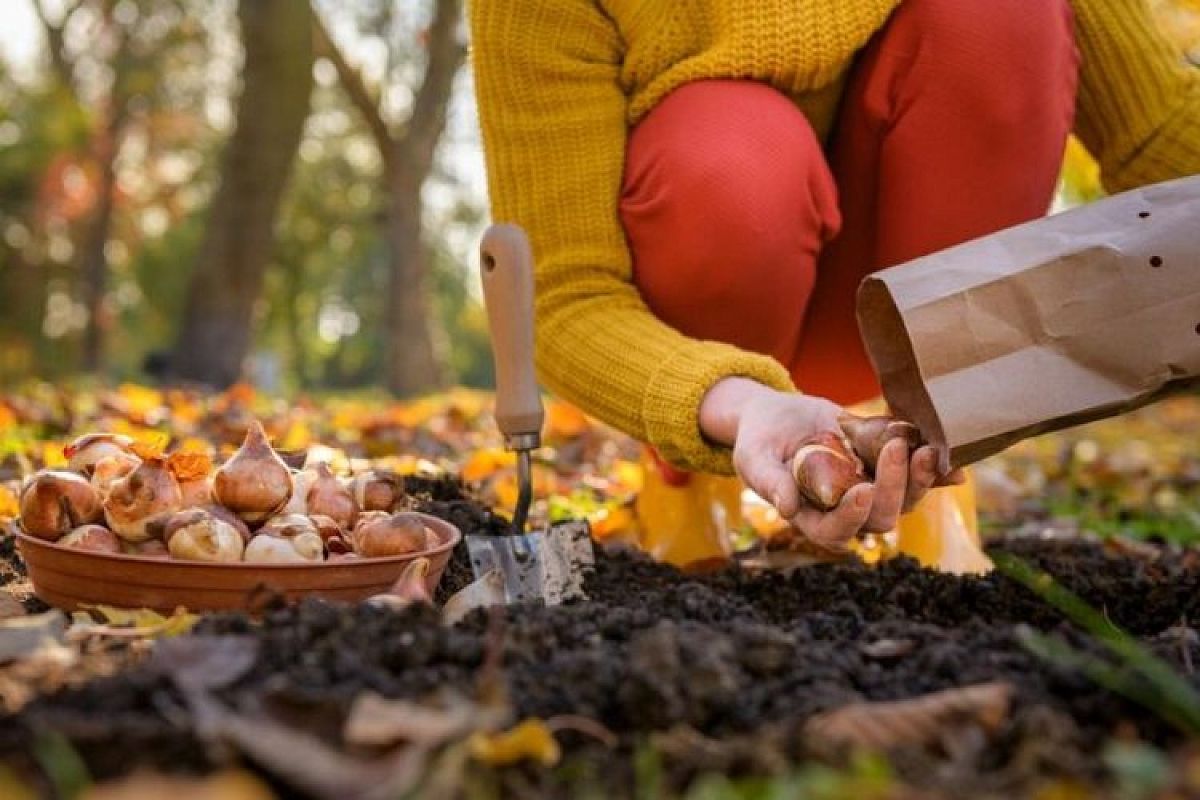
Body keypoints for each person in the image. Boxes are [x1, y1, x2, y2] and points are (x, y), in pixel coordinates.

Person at [469, 0, 1200, 556]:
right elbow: (568, 299)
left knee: (998, 17)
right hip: (717, 341)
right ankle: (691, 488)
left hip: (918, 312)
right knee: (730, 150)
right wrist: (730, 405)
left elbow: (1160, 133)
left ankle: (938, 468)